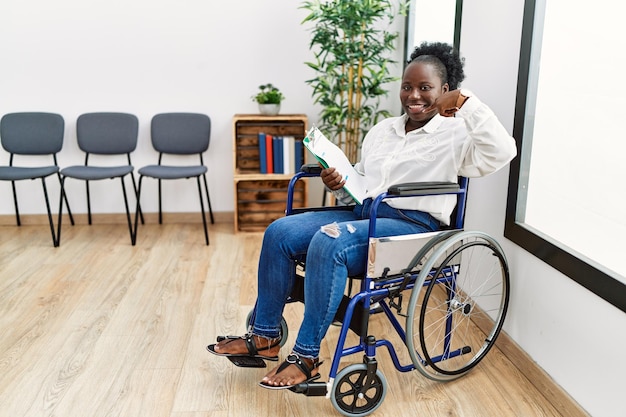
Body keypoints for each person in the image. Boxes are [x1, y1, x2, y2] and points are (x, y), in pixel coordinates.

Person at [207, 41, 517, 389]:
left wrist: (464, 103)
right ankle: (264, 337)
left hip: (412, 227)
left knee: (330, 242)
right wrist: (337, 181)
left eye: (425, 88)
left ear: (445, 90)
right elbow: (361, 184)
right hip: (362, 214)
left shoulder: (457, 133)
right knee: (279, 232)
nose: (413, 95)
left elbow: (504, 151)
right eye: (407, 86)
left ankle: (306, 356)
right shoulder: (383, 130)